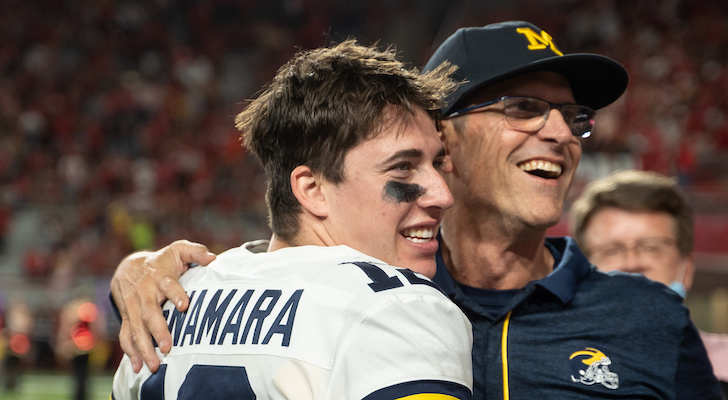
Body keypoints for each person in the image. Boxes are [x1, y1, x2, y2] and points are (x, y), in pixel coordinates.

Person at [111, 21, 722, 399]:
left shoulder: (649, 318)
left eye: (574, 117)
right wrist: (141, 269)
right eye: (523, 108)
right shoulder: (373, 290)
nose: (561, 131)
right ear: (442, 140)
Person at [111, 40, 473, 399]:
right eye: (403, 168)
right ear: (313, 189)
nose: (443, 195)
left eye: (437, 163)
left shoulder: (160, 307)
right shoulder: (396, 307)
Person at [571, 169, 728, 400]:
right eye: (611, 250)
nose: (631, 263)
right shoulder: (551, 364)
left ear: (686, 270)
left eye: (652, 247)